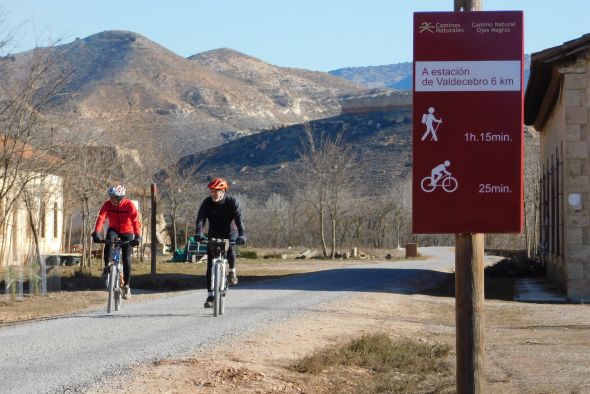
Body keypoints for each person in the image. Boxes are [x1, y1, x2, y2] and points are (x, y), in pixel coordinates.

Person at [195, 177, 246, 308]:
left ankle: (232, 271)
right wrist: (199, 233)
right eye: (212, 191)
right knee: (210, 265)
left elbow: (239, 220)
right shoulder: (207, 202)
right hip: (214, 232)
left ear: (223, 191)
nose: (213, 193)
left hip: (230, 231)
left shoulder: (232, 202)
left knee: (230, 249)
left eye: (216, 191)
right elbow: (201, 219)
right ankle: (210, 295)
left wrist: (242, 235)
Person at [92, 184, 141, 299]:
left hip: (127, 232)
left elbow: (135, 221)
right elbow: (101, 218)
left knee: (126, 258)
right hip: (113, 229)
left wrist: (138, 236)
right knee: (108, 243)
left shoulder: (129, 205)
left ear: (120, 198)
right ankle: (107, 267)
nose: (111, 200)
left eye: (113, 197)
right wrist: (97, 233)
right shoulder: (107, 204)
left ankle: (127, 287)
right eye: (111, 197)